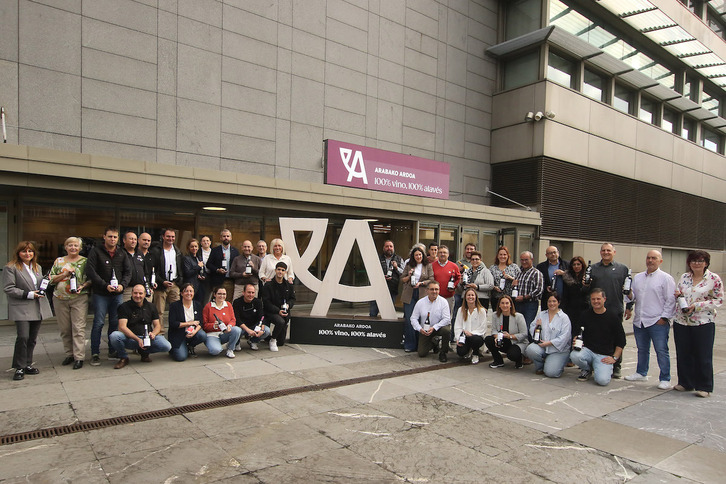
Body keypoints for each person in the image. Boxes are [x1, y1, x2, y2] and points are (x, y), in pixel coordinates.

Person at [673, 250, 723, 398]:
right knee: (683, 353)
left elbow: (719, 300)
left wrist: (698, 305)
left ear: (706, 263)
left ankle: (704, 386)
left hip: (703, 322)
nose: (696, 263)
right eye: (693, 261)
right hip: (682, 321)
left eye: (700, 261)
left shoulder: (714, 279)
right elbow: (680, 293)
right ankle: (686, 382)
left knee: (703, 355)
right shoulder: (684, 277)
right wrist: (679, 296)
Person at [624, 250, 675, 390]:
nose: (650, 260)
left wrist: (664, 317)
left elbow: (670, 300)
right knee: (642, 349)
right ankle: (641, 372)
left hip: (657, 321)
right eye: (648, 258)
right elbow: (632, 297)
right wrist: (628, 300)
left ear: (660, 261)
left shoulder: (666, 278)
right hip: (640, 320)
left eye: (654, 258)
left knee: (661, 350)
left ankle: (665, 378)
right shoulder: (638, 277)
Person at [3, 241, 52, 381]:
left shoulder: (37, 267)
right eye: (24, 251)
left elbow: (37, 283)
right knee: (23, 337)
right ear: (18, 252)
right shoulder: (11, 267)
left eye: (30, 251)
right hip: (22, 305)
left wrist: (45, 282)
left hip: (38, 306)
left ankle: (27, 364)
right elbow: (9, 288)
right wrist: (29, 294)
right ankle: (19, 367)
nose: (27, 254)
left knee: (32, 338)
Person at [86, 226, 131, 365]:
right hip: (101, 293)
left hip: (117, 294)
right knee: (98, 323)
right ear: (104, 237)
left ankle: (112, 349)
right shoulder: (95, 251)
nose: (112, 239)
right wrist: (105, 285)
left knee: (114, 322)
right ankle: (95, 352)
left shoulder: (122, 253)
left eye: (115, 237)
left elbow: (128, 272)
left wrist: (123, 285)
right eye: (110, 236)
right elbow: (91, 271)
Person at [586, 243, 630, 378]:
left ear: (614, 252)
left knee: (616, 338)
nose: (606, 252)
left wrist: (629, 307)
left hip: (615, 308)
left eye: (608, 250)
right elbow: (587, 289)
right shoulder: (593, 268)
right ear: (600, 252)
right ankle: (592, 365)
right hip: (596, 310)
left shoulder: (622, 269)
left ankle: (616, 365)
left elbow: (628, 290)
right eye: (603, 250)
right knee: (594, 336)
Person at [49, 236, 91, 369]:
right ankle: (69, 354)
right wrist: (64, 274)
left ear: (80, 248)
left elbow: (91, 279)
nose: (73, 248)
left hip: (79, 298)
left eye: (76, 246)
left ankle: (79, 357)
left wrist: (83, 286)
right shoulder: (59, 261)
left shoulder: (85, 261)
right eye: (70, 245)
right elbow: (51, 279)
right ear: (66, 247)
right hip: (60, 299)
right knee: (65, 329)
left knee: (78, 328)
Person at [570, 289, 626, 386]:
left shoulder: (613, 317)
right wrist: (576, 339)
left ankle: (601, 368)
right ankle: (587, 369)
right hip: (588, 351)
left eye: (598, 299)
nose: (596, 301)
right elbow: (577, 332)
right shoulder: (585, 315)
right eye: (593, 299)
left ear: (604, 299)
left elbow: (621, 340)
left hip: (604, 355)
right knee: (574, 356)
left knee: (602, 381)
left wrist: (614, 358)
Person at [110, 284, 172, 368]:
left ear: (145, 294)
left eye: (140, 293)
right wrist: (138, 339)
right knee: (114, 336)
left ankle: (144, 353)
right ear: (131, 293)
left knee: (166, 346)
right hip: (131, 339)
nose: (137, 296)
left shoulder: (151, 306)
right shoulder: (124, 307)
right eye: (135, 293)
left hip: (148, 338)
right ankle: (123, 357)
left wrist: (153, 334)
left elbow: (158, 326)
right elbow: (122, 327)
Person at [524, 293, 571, 378]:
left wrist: (549, 343)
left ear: (559, 303)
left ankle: (557, 364)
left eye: (554, 301)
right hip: (543, 346)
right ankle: (540, 366)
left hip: (558, 350)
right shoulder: (542, 314)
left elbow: (565, 336)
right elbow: (532, 327)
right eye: (549, 301)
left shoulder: (564, 318)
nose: (551, 303)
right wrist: (537, 327)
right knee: (530, 349)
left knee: (551, 373)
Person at [400, 246, 434, 352]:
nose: (418, 257)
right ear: (413, 256)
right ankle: (410, 344)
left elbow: (431, 279)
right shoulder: (409, 265)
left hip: (422, 294)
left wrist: (422, 283)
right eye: (416, 255)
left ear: (422, 255)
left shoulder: (427, 265)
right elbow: (402, 279)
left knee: (421, 320)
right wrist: (409, 276)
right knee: (410, 320)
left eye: (420, 254)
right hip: (409, 294)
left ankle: (421, 344)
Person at [410, 281, 451, 362]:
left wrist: (434, 327)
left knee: (447, 330)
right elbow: (413, 318)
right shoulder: (420, 302)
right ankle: (434, 342)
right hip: (425, 329)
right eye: (432, 289)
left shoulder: (443, 302)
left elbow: (447, 319)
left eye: (436, 289)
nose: (434, 292)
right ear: (427, 290)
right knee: (421, 353)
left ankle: (443, 352)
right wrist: (419, 329)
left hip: (439, 327)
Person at [485, 295, 527, 369]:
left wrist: (510, 336)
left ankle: (519, 359)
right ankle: (498, 361)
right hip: (503, 340)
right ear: (499, 305)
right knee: (488, 339)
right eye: (502, 303)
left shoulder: (518, 316)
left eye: (507, 303)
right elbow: (494, 330)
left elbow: (524, 334)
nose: (505, 305)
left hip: (516, 341)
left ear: (511, 305)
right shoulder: (495, 315)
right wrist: (496, 336)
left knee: (512, 355)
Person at [260, 261, 296, 351]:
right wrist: (277, 311)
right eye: (279, 269)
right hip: (271, 311)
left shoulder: (289, 285)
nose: (280, 272)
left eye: (283, 270)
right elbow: (266, 302)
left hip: (284, 311)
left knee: (281, 343)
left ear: (285, 272)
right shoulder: (268, 285)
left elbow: (293, 299)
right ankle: (272, 340)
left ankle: (273, 338)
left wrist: (288, 305)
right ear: (275, 270)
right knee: (280, 321)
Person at [151, 228, 183, 327]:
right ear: (163, 237)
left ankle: (176, 332)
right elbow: (153, 270)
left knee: (177, 311)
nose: (170, 238)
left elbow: (180, 268)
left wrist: (179, 282)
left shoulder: (177, 251)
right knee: (159, 311)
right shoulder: (156, 251)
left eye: (173, 236)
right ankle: (159, 333)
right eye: (168, 236)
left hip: (174, 285)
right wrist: (161, 281)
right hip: (161, 286)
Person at [167, 283, 207, 361]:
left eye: (191, 291)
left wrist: (195, 332)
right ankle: (175, 348)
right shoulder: (174, 306)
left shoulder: (197, 305)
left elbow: (200, 322)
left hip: (191, 332)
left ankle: (190, 346)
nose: (189, 293)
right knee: (180, 357)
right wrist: (189, 323)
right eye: (186, 291)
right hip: (178, 334)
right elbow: (173, 324)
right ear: (181, 293)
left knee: (202, 335)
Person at [202, 286, 242, 358]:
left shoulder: (228, 305)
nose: (222, 296)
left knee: (237, 330)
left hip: (224, 333)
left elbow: (233, 320)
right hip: (212, 335)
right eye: (219, 294)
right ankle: (215, 345)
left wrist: (229, 326)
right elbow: (204, 325)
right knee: (215, 351)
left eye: (224, 294)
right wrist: (213, 326)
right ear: (215, 294)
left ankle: (230, 349)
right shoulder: (208, 307)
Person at [453, 287, 488, 364]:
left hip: (476, 336)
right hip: (464, 336)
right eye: (468, 295)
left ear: (476, 297)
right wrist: (458, 337)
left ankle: (476, 353)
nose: (470, 297)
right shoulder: (461, 310)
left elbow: (483, 327)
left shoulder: (481, 310)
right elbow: (457, 325)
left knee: (474, 339)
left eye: (472, 295)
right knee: (461, 352)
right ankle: (468, 350)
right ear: (465, 297)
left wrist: (471, 333)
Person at [370, 240, 404, 317]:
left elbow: (403, 273)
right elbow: (372, 272)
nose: (389, 248)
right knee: (373, 313)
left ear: (393, 248)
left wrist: (396, 267)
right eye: (387, 246)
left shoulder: (399, 259)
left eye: (391, 246)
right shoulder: (377, 258)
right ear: (383, 248)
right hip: (378, 290)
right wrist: (381, 277)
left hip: (392, 290)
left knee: (389, 314)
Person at [233, 283, 270, 351]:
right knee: (236, 331)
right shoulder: (237, 302)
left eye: (253, 293)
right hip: (241, 327)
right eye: (249, 292)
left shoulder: (258, 302)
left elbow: (261, 317)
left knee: (266, 330)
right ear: (243, 293)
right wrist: (248, 330)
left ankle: (253, 341)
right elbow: (237, 319)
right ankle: (236, 343)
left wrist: (262, 329)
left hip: (253, 326)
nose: (251, 295)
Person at [513, 251, 543, 329]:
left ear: (532, 259)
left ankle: (528, 341)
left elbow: (539, 290)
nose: (524, 262)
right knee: (518, 325)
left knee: (528, 325)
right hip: (518, 304)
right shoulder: (519, 273)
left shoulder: (536, 273)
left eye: (526, 260)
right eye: (522, 260)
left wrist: (524, 297)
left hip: (530, 304)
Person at [207, 229, 240, 297]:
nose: (226, 238)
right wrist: (217, 270)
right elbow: (209, 264)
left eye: (228, 236)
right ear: (220, 238)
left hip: (230, 281)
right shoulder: (215, 250)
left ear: (231, 238)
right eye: (224, 236)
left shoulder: (235, 251)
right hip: (217, 281)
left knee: (229, 301)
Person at [431, 245, 460, 315]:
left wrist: (454, 286)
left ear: (448, 254)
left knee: (447, 318)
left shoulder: (454, 266)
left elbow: (458, 278)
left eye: (444, 252)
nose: (442, 254)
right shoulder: (432, 266)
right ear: (437, 254)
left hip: (448, 297)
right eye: (440, 252)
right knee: (434, 317)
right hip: (435, 297)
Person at [562, 256, 589, 329]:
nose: (576, 266)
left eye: (578, 264)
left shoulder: (587, 276)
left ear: (582, 265)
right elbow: (565, 295)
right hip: (570, 308)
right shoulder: (567, 277)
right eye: (574, 264)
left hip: (584, 307)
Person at [452, 243, 477, 317]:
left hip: (472, 294)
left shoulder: (479, 263)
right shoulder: (459, 262)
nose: (469, 251)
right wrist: (459, 271)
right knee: (457, 314)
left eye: (471, 249)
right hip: (460, 293)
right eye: (467, 249)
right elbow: (453, 277)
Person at [182, 238, 205, 304]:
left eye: (195, 246)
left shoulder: (199, 258)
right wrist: (198, 267)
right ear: (188, 247)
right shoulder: (186, 258)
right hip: (190, 285)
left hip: (199, 286)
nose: (194, 248)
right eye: (192, 246)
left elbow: (203, 270)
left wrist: (203, 276)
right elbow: (187, 273)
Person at [199, 235, 213, 302]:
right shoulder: (198, 252)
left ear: (210, 242)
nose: (206, 242)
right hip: (201, 278)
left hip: (211, 277)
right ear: (201, 243)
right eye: (204, 241)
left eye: (207, 240)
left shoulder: (213, 252)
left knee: (208, 296)